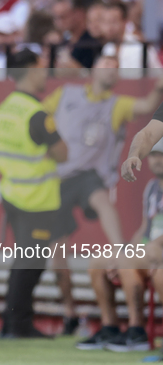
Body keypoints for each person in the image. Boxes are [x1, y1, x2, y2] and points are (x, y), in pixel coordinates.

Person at [43, 54, 163, 332]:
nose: (110, 68)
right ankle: (72, 311)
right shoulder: (66, 93)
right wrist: (135, 155)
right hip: (60, 176)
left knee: (102, 202)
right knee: (59, 248)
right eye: (105, 63)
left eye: (115, 66)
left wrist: (157, 87)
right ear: (93, 69)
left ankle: (121, 254)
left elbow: (146, 106)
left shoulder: (117, 104)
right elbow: (39, 117)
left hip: (91, 176)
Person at [0, 48, 68, 339]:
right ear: (31, 71)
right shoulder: (37, 114)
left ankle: (9, 323)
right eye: (41, 67)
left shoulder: (6, 107)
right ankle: (19, 326)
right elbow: (62, 153)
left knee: (22, 263)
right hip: (36, 199)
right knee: (30, 265)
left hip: (13, 193)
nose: (44, 73)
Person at [75, 141, 163, 351]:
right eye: (153, 155)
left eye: (162, 155)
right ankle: (110, 326)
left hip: (157, 250)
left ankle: (136, 330)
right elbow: (144, 227)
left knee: (128, 259)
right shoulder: (152, 188)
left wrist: (140, 251)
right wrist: (125, 251)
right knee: (99, 260)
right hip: (148, 250)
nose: (157, 160)